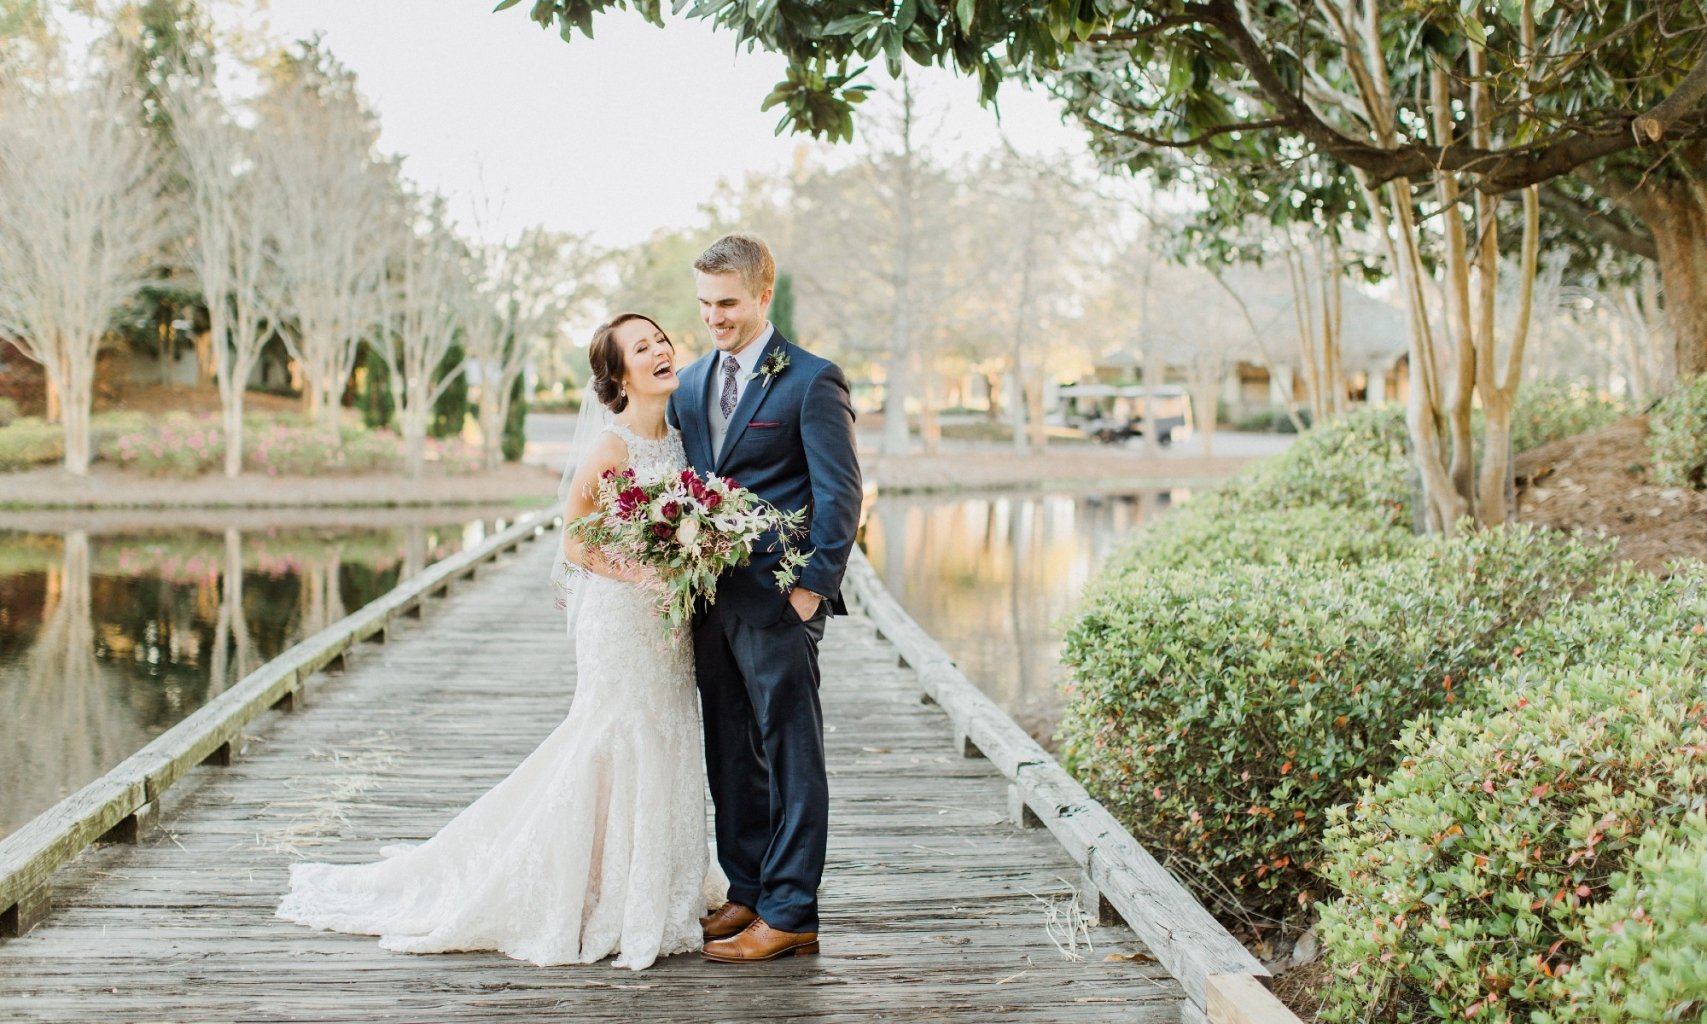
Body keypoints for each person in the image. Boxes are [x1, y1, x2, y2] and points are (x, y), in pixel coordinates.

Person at [277, 313, 718, 971]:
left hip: (669, 621)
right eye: (641, 347)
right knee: (615, 736)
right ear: (618, 375)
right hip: (620, 618)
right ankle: (588, 890)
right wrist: (645, 573)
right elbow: (576, 539)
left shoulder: (686, 443)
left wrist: (691, 558)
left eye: (660, 339)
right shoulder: (611, 446)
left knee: (670, 732)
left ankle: (657, 885)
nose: (660, 350)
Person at [668, 233, 863, 963]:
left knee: (789, 754)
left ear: (761, 296)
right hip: (708, 603)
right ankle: (747, 888)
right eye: (703, 304)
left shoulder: (811, 381)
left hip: (781, 603)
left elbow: (839, 495)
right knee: (728, 750)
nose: (713, 317)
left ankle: (790, 910)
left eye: (726, 303)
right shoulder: (689, 385)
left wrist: (812, 590)